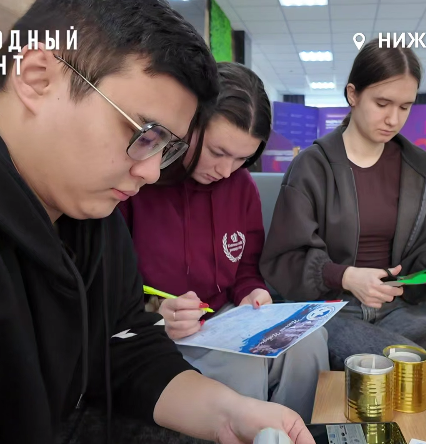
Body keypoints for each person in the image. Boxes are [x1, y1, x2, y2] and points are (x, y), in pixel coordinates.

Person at [0, 2, 314, 444]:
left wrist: (229, 414)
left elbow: (126, 346)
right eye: (144, 134)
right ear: (38, 77)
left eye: (167, 147)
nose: (151, 172)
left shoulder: (89, 212)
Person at [259, 39, 426, 380]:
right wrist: (345, 276)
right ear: (353, 95)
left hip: (398, 307)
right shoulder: (312, 167)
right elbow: (285, 258)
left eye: (405, 107)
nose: (393, 119)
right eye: (382, 103)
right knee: (404, 373)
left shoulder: (419, 170)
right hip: (331, 310)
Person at [119, 62, 329, 423]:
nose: (226, 170)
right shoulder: (138, 181)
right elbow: (110, 289)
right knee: (242, 367)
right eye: (218, 152)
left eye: (242, 158)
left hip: (224, 319)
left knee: (309, 341)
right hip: (161, 329)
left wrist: (252, 292)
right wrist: (155, 312)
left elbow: (246, 267)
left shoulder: (241, 186)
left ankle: (299, 433)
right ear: (189, 124)